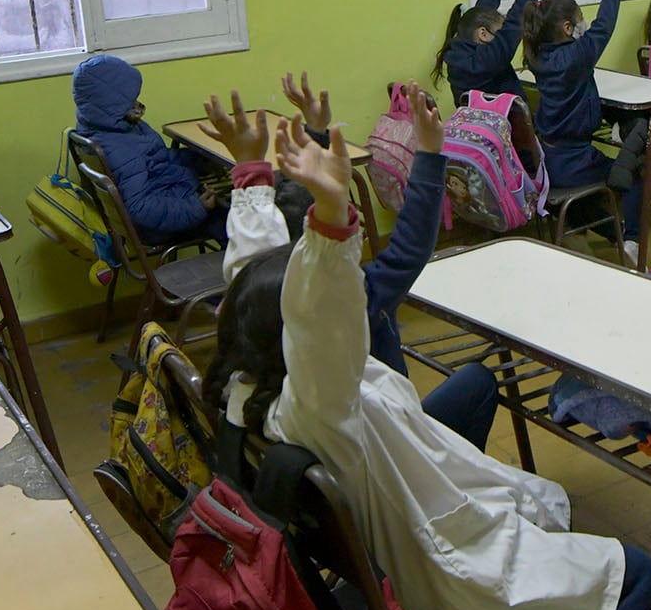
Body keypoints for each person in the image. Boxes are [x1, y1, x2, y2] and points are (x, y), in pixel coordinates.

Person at [207, 114, 651, 610]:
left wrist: (252, 176)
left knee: (475, 389)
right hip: (446, 568)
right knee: (634, 576)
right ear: (299, 332)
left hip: (397, 484)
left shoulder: (248, 378)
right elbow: (318, 314)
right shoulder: (315, 399)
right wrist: (331, 216)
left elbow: (249, 278)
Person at [201, 82, 498, 452]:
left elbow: (253, 252)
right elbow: (410, 245)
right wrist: (429, 152)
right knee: (478, 381)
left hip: (343, 468)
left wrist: (255, 164)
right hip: (392, 450)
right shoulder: (349, 317)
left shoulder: (249, 316)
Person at [522, 0, 643, 263]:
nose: (584, 24)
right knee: (635, 174)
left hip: (549, 161)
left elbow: (544, 13)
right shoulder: (576, 57)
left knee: (592, 198)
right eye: (579, 20)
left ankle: (596, 231)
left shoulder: (537, 55)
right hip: (576, 162)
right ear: (567, 29)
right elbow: (605, 25)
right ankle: (632, 243)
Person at [71, 54, 224, 245]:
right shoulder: (118, 148)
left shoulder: (108, 129)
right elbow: (140, 208)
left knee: (227, 201)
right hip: (154, 226)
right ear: (111, 104)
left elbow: (155, 160)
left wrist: (199, 161)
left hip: (164, 194)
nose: (136, 104)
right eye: (130, 99)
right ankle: (243, 271)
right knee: (232, 213)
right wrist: (196, 208)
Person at [435, 0, 578, 108]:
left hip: (477, 129)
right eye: (498, 32)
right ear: (483, 34)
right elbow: (516, 20)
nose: (501, 35)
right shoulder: (485, 61)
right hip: (505, 130)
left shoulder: (460, 53)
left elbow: (480, 12)